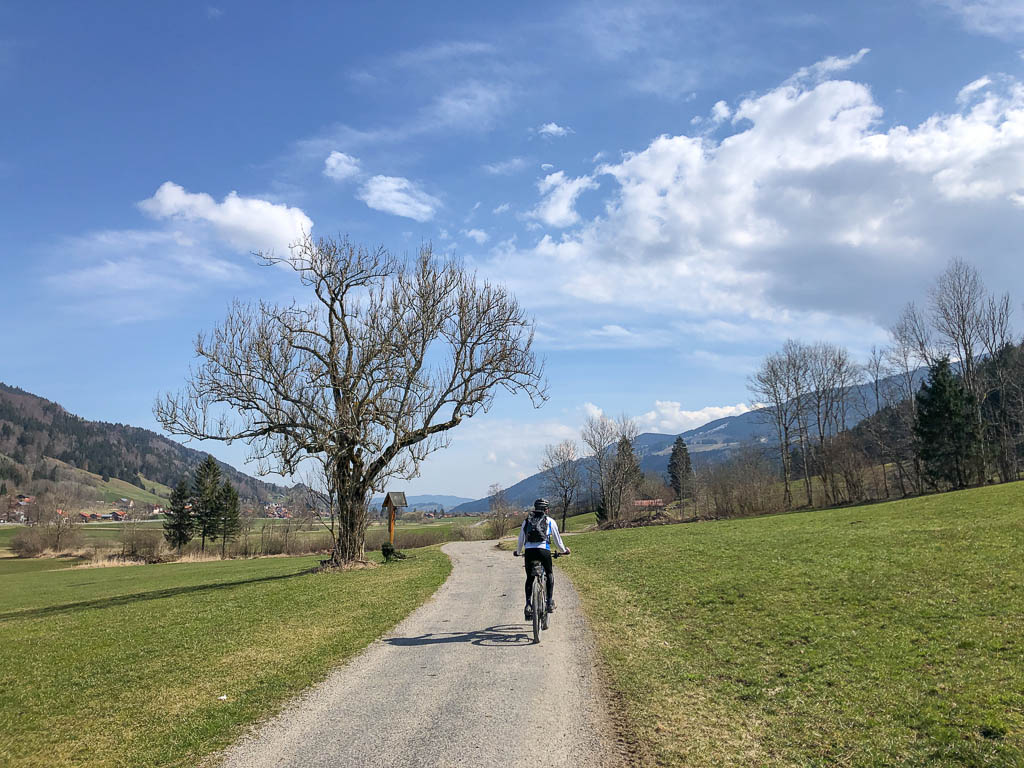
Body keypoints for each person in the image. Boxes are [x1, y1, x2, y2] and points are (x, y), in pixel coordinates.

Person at [514, 498, 570, 621]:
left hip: (529, 552)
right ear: (546, 509)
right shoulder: (550, 521)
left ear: (535, 508)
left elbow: (520, 540)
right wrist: (564, 550)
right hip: (543, 551)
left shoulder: (526, 521)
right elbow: (557, 540)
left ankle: (528, 604)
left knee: (529, 578)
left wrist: (518, 552)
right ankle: (549, 602)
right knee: (549, 573)